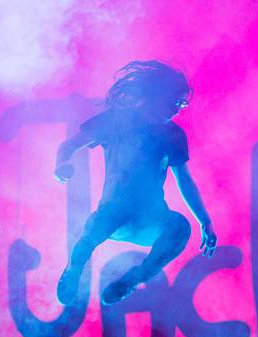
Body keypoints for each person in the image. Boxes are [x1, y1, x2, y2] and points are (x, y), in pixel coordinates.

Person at [54, 60, 217, 306]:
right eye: (175, 102)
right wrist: (61, 165)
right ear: (156, 96)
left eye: (183, 104)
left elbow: (184, 179)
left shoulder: (173, 135)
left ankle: (132, 280)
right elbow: (69, 146)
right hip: (114, 215)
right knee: (101, 221)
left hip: (150, 219)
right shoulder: (116, 121)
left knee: (180, 227)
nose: (178, 109)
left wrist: (204, 221)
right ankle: (73, 269)